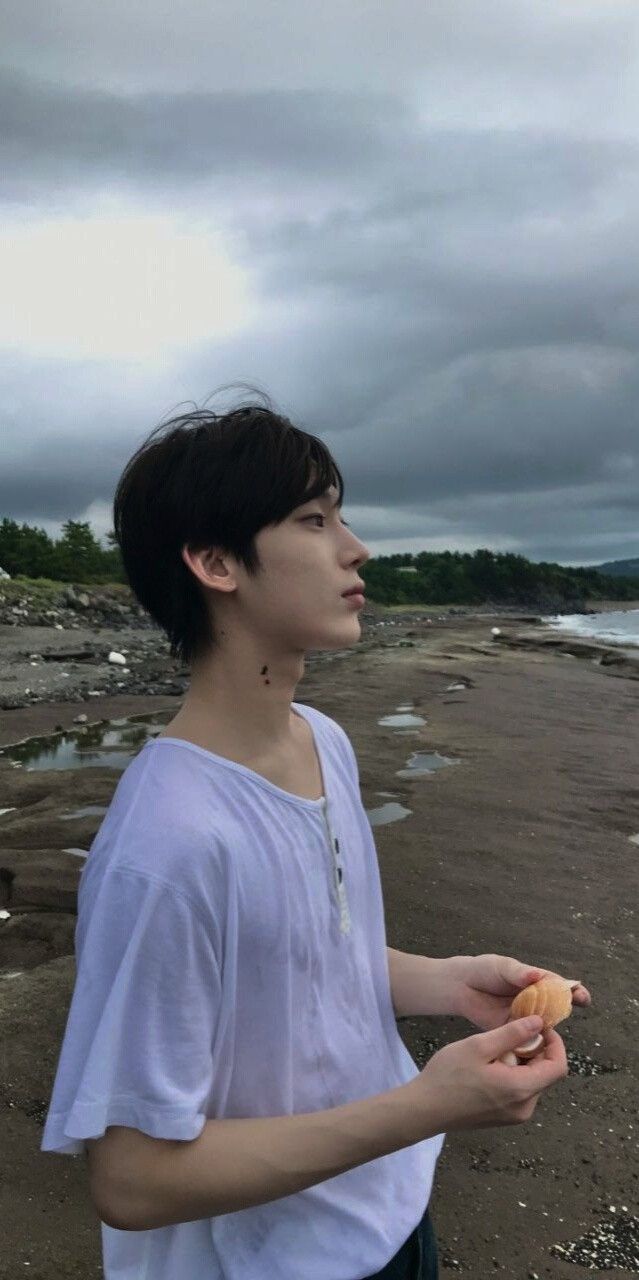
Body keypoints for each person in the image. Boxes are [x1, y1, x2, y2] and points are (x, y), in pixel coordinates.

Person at [41, 389, 591, 1280]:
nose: (355, 547)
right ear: (216, 563)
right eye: (313, 518)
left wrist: (450, 982)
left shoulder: (321, 740)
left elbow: (302, 959)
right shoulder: (170, 846)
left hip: (386, 1215)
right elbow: (132, 1179)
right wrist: (424, 1105)